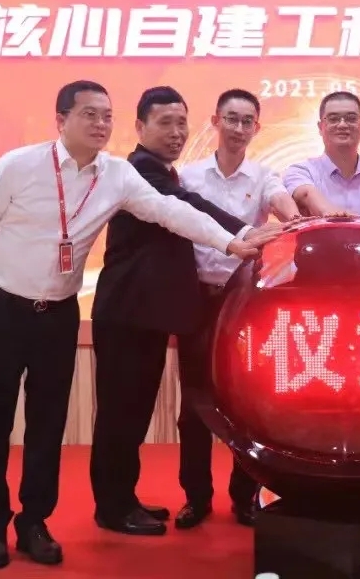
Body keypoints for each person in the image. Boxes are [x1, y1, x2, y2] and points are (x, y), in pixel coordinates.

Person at [0, 80, 263, 570]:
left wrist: (232, 241)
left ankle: (34, 523)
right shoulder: (16, 166)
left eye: (106, 116)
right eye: (89, 114)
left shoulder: (117, 175)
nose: (101, 124)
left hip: (58, 314)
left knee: (47, 426)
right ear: (61, 120)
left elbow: (171, 211)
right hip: (1, 307)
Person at [89, 86, 285, 536]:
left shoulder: (162, 170)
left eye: (181, 123)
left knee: (133, 412)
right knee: (121, 413)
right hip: (127, 313)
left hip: (148, 315)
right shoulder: (140, 170)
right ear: (140, 127)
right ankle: (113, 508)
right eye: (165, 123)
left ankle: (122, 499)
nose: (177, 132)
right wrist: (239, 235)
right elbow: (186, 209)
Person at [178, 88, 302, 527]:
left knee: (247, 402)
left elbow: (284, 204)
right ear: (215, 121)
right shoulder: (188, 177)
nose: (238, 128)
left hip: (245, 304)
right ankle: (195, 497)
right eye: (231, 119)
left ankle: (244, 496)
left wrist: (295, 219)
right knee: (194, 406)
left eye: (247, 121)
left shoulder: (264, 176)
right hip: (196, 300)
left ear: (256, 128)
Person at [283, 91, 360, 217]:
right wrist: (329, 212)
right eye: (333, 119)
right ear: (320, 127)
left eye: (351, 118)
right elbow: (306, 194)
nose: (342, 125)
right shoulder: (302, 171)